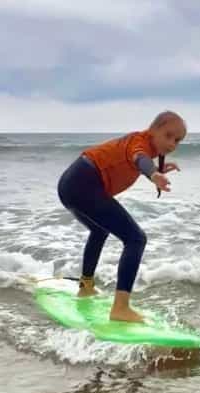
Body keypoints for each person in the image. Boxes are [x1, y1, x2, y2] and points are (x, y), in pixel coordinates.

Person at [57, 110, 185, 323]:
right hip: (84, 182)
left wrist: (157, 170)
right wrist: (153, 174)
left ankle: (86, 287)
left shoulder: (146, 145)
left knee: (100, 230)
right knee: (136, 238)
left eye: (178, 140)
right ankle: (120, 308)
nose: (172, 144)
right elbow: (139, 157)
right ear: (153, 130)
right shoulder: (139, 142)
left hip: (70, 184)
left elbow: (139, 161)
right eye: (168, 136)